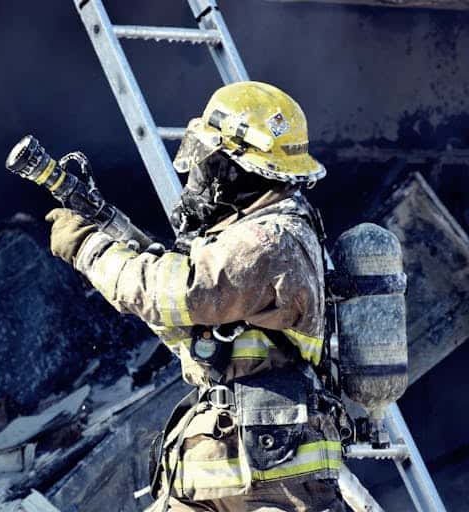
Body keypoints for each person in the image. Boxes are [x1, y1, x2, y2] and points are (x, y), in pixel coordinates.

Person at [45, 81, 345, 511]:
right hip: (236, 470)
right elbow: (187, 322)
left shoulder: (266, 241)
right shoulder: (253, 238)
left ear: (233, 167)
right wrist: (133, 248)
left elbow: (165, 292)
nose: (196, 171)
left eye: (207, 157)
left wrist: (88, 247)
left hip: (264, 479)